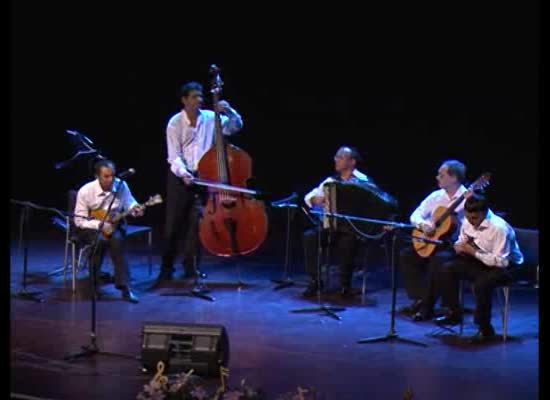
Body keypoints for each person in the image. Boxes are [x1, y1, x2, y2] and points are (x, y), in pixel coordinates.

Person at [156, 81, 244, 283]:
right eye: (195, 96)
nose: (200, 100)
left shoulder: (210, 118)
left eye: (201, 96)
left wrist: (229, 110)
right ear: (185, 100)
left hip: (203, 176)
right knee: (173, 225)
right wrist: (184, 173)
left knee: (196, 225)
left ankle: (191, 267)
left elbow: (235, 127)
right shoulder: (174, 123)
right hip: (179, 177)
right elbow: (173, 156)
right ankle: (166, 269)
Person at [435, 192, 524, 341]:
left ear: (484, 212)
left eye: (475, 218)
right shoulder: (468, 221)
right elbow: (461, 240)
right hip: (481, 259)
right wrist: (459, 246)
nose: (471, 222)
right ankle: (454, 313)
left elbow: (501, 262)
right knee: (447, 268)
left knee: (482, 283)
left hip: (507, 266)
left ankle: (485, 328)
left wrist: (473, 252)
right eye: (468, 217)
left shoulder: (498, 228)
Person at [398, 160, 468, 321]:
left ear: (454, 178)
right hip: (432, 241)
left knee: (439, 260)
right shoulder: (436, 196)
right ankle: (420, 298)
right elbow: (415, 215)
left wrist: (458, 224)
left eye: (441, 175)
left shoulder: (468, 199)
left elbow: (476, 225)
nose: (437, 177)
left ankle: (427, 307)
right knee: (407, 255)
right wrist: (424, 225)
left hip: (453, 245)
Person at [302, 146, 371, 298]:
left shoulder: (364, 182)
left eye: (340, 157)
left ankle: (345, 285)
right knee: (310, 236)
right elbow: (309, 196)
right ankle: (315, 280)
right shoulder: (331, 181)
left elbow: (372, 206)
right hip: (331, 227)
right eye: (336, 157)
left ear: (352, 162)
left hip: (353, 230)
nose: (336, 160)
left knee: (348, 241)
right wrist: (315, 199)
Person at [73, 159, 144, 303]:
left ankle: (125, 288)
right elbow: (79, 220)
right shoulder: (86, 191)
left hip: (114, 225)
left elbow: (129, 202)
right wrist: (100, 225)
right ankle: (94, 287)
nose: (111, 179)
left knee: (117, 242)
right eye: (106, 176)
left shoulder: (121, 185)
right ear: (97, 176)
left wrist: (135, 209)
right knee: (99, 242)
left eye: (112, 175)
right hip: (90, 227)